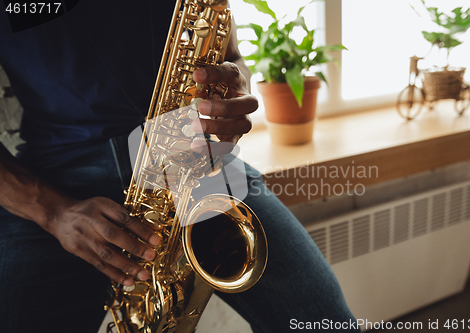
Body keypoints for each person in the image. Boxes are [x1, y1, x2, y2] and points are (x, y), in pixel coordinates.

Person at [0, 1, 360, 332]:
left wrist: (232, 86)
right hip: (53, 180)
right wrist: (53, 212)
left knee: (326, 323)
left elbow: (231, 56)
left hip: (187, 154)